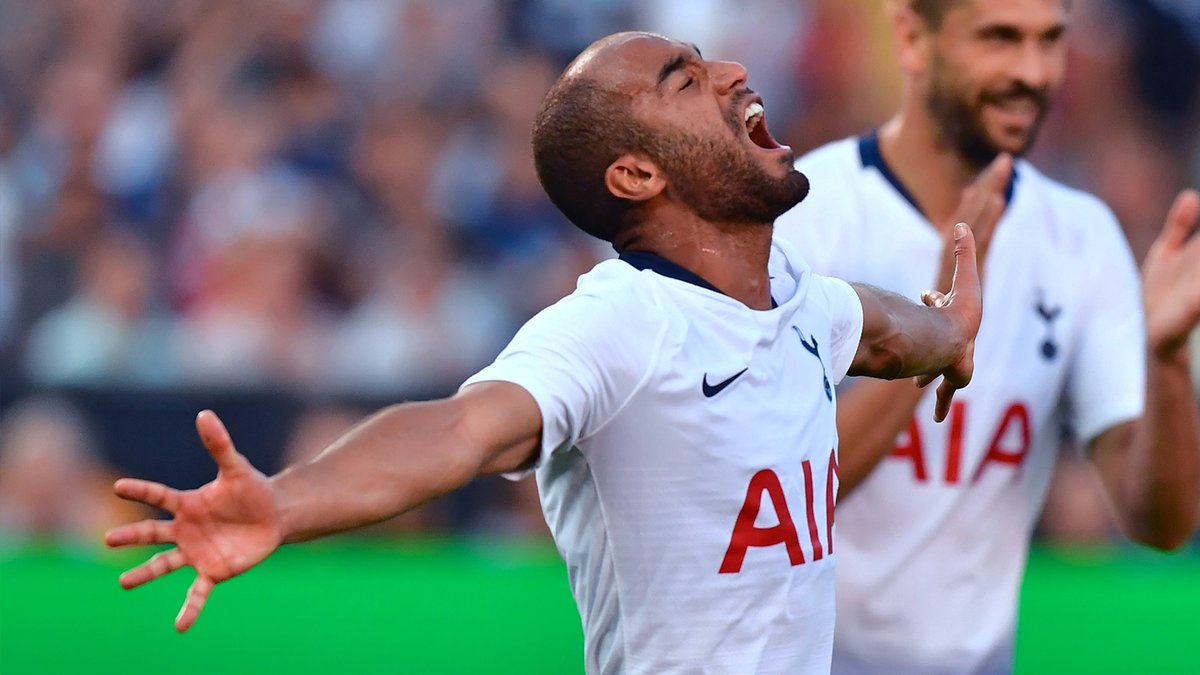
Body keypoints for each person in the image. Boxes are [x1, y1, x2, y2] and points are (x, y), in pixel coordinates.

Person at [107, 32, 985, 674]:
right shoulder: (623, 323)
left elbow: (869, 327)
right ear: (637, 175)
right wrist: (285, 504)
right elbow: (464, 429)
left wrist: (947, 332)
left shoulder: (794, 295)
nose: (732, 72)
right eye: (685, 80)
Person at [772, 1, 1200, 673]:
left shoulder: (1081, 235)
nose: (1031, 72)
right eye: (999, 38)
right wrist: (936, 333)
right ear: (912, 37)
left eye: (1049, 41)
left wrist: (1168, 359)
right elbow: (785, 500)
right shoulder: (804, 217)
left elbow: (1160, 523)